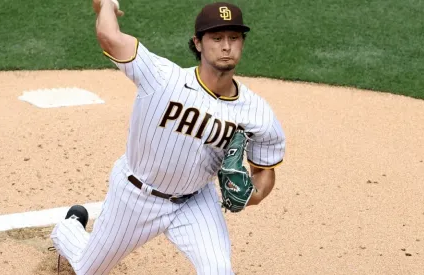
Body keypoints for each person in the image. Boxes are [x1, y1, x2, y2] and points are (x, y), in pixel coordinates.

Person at [50, 1, 286, 274]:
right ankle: (67, 230)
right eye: (217, 37)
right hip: (136, 196)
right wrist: (106, 4)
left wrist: (252, 195)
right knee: (86, 268)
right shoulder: (162, 78)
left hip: (196, 201)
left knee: (219, 271)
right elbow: (109, 36)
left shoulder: (258, 112)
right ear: (198, 43)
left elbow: (264, 171)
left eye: (234, 38)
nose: (226, 46)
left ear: (242, 43)